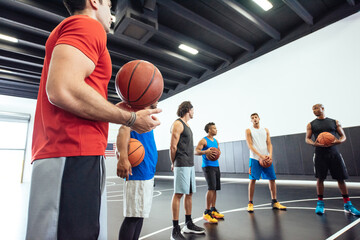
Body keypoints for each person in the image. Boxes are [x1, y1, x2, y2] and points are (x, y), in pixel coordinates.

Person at [26, 1, 161, 239]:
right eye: (109, 4)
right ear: (94, 1)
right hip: (71, 154)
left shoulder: (79, 28)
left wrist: (113, 109)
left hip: (75, 154)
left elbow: (72, 91)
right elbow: (62, 89)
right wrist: (129, 118)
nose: (112, 14)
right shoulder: (86, 25)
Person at [305, 104, 360, 216]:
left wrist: (339, 141)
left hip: (334, 153)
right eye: (313, 109)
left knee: (341, 178)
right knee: (320, 178)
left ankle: (348, 204)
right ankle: (320, 204)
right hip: (320, 154)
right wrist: (314, 143)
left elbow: (343, 136)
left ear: (323, 108)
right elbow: (307, 138)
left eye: (316, 108)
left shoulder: (334, 122)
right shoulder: (311, 124)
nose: (314, 110)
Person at [117, 102, 159, 240]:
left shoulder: (146, 116)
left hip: (147, 172)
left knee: (140, 215)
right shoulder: (134, 114)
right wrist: (123, 157)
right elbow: (123, 130)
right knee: (132, 217)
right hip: (138, 173)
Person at [170, 101, 205, 240]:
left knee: (189, 193)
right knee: (178, 194)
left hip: (189, 164)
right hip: (181, 163)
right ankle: (175, 229)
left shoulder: (187, 126)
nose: (193, 112)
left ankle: (188, 223)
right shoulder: (178, 124)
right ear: (188, 110)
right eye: (192, 110)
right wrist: (173, 163)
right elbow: (172, 147)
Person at [245, 113, 287, 213]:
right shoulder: (249, 130)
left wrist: (270, 155)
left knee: (272, 179)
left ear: (259, 118)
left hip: (266, 158)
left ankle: (274, 201)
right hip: (255, 158)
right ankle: (250, 203)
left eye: (256, 117)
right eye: (252, 118)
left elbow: (269, 143)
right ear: (251, 121)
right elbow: (250, 146)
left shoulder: (265, 130)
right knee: (252, 180)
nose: (254, 119)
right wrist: (260, 156)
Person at [195, 122, 224, 223]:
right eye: (214, 128)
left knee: (215, 189)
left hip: (216, 166)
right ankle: (206, 212)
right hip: (207, 167)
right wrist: (205, 152)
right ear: (209, 130)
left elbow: (218, 151)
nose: (216, 130)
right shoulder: (204, 140)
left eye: (216, 128)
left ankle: (213, 209)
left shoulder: (216, 141)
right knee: (211, 188)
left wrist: (218, 152)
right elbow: (196, 151)